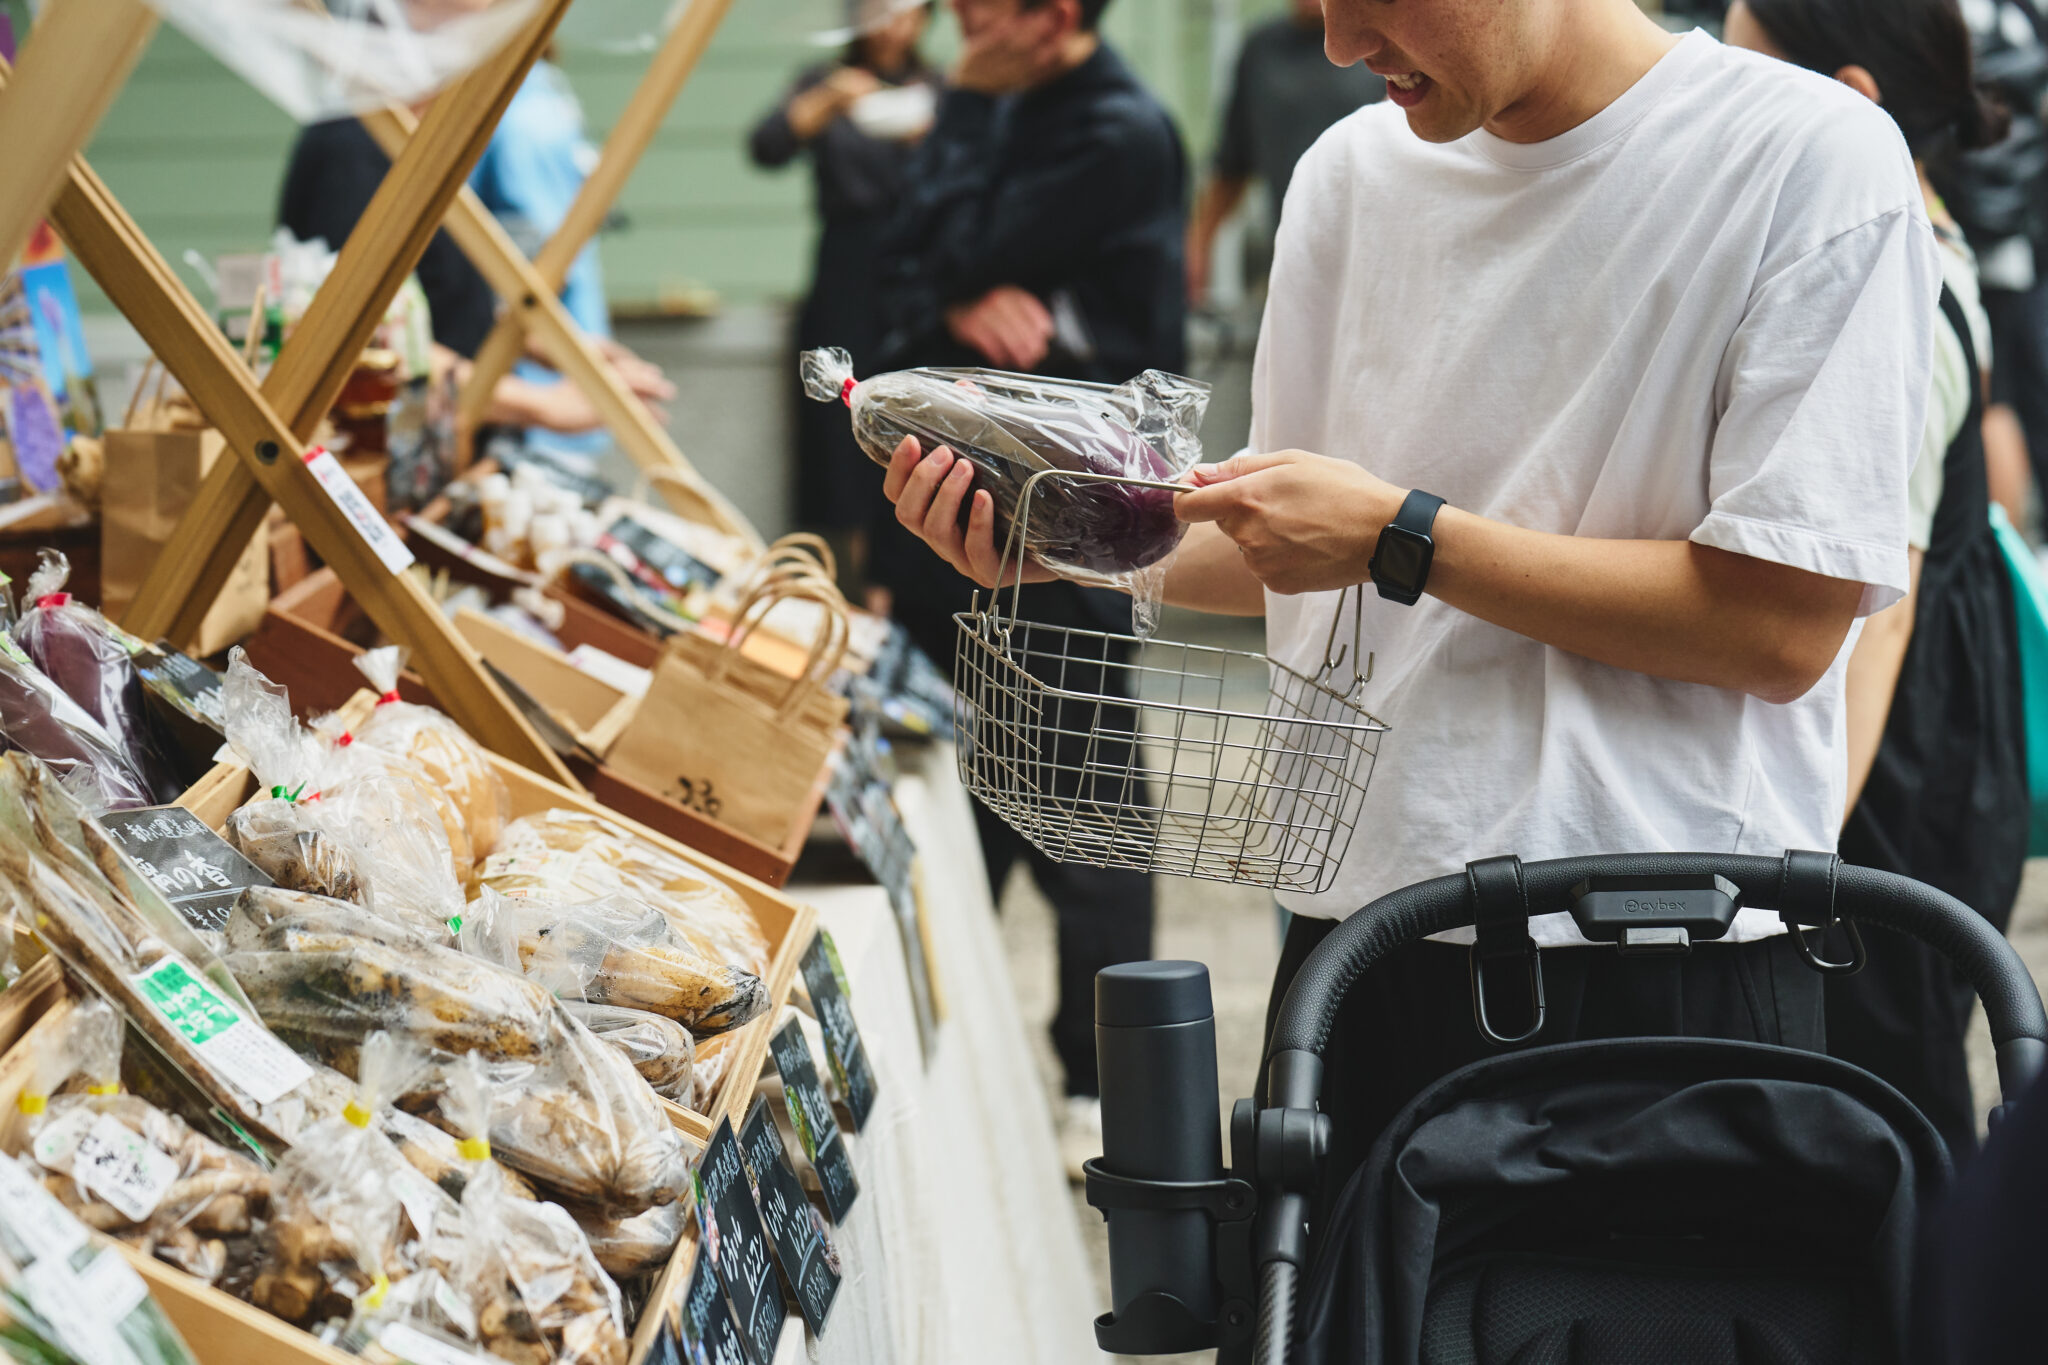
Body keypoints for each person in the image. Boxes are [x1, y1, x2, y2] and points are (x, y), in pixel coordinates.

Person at [881, 0, 1937, 1201]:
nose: (1336, 43)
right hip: (1358, 948)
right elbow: (1294, 545)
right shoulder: (1347, 174)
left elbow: (1778, 628)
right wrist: (1059, 549)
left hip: (1663, 955)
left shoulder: (1808, 157)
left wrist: (1406, 539)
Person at [869, 0, 1186, 1176]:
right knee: (973, 794)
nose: (956, 21)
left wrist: (954, 108)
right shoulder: (1011, 108)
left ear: (1052, 13)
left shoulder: (1110, 130)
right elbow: (895, 268)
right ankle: (957, 1063)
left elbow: (927, 242)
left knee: (1090, 813)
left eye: (977, 7)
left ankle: (1109, 1095)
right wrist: (950, 304)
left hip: (1080, 519)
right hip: (962, 520)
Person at [1725, 0, 2027, 1165]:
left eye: (1742, 77)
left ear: (1846, 100)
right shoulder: (1912, 230)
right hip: (1934, 744)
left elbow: (1877, 626)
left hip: (1901, 776)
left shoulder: (1890, 288)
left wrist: (1797, 858)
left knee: (1882, 1114)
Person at [749, 0, 937, 575]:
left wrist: (929, 136)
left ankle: (906, 571)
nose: (893, 25)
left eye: (907, 12)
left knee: (915, 415)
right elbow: (767, 147)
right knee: (842, 416)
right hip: (846, 267)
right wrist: (830, 99)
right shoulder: (825, 82)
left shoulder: (940, 91)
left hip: (920, 271)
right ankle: (853, 576)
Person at [1185, 0, 1385, 306]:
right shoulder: (1261, 49)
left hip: (1375, 257)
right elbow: (1233, 162)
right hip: (1291, 259)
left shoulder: (1380, 43)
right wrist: (1198, 244)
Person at [1931, 0, 2048, 518]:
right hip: (2013, 237)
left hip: (1975, 235)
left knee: (1991, 400)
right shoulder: (2021, 16)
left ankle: (1998, 550)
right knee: (2004, 395)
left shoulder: (1967, 15)